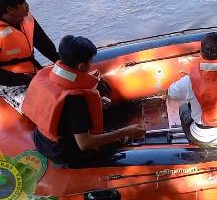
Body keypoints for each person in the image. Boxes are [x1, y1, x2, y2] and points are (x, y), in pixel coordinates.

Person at [24, 35, 145, 165]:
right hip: (62, 152)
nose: (91, 63)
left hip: (42, 140)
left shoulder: (48, 76)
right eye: (90, 61)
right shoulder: (75, 100)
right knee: (120, 134)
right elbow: (84, 144)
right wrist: (124, 132)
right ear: (81, 66)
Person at [0, 0, 59, 113]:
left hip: (33, 72)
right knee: (44, 110)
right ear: (10, 9)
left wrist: (63, 64)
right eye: (22, 3)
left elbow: (45, 46)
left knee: (64, 96)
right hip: (9, 84)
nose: (27, 6)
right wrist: (24, 80)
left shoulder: (26, 18)